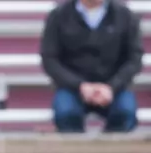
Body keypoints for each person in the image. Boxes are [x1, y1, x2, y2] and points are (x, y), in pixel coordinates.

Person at [40, 0, 144, 133]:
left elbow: (134, 59)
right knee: (66, 113)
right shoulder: (59, 16)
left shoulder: (125, 16)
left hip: (114, 88)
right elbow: (50, 59)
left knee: (124, 112)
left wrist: (112, 86)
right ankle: (74, 152)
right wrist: (79, 85)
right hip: (72, 88)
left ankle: (112, 152)